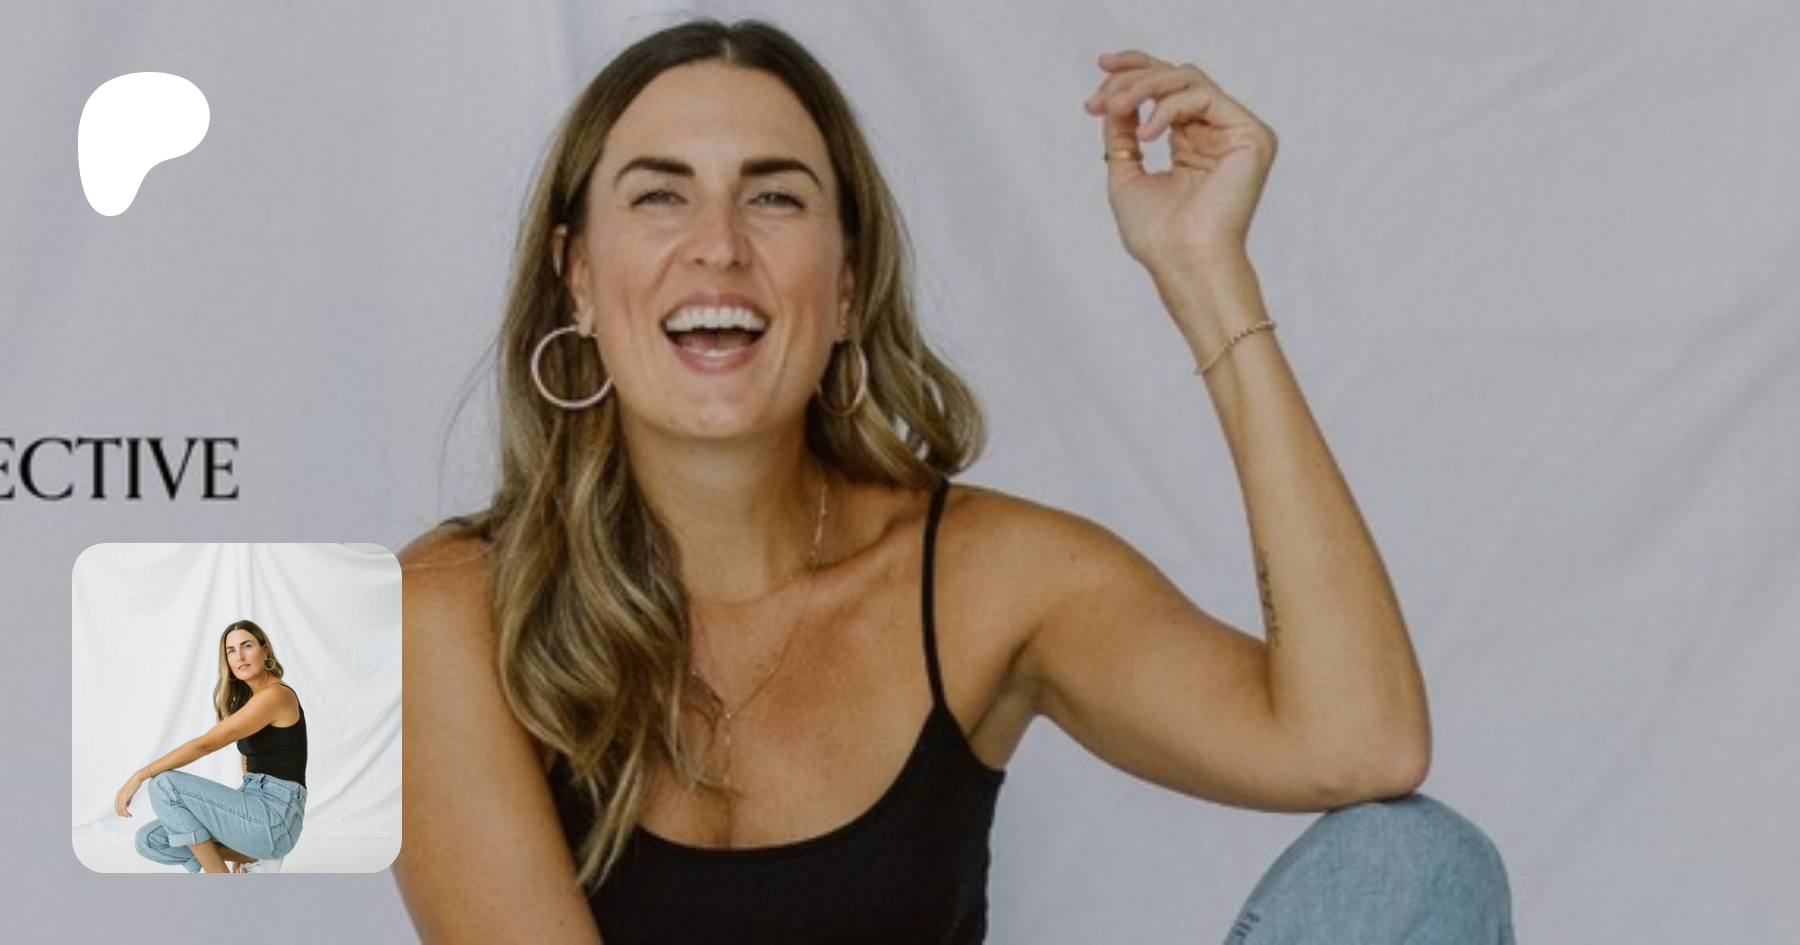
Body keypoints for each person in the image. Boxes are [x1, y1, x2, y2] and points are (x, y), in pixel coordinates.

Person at [397, 18, 1512, 943]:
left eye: (775, 198)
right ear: (579, 279)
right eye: (659, 196)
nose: (720, 245)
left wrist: (1206, 275)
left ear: (846, 286)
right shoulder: (425, 614)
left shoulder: (986, 578)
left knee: (1416, 861)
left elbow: (1361, 744)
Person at [116, 618, 308, 874]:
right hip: (254, 808)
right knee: (149, 840)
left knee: (162, 784)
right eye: (231, 651)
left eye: (247, 646)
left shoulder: (276, 695)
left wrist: (139, 775)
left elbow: (206, 745)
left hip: (277, 819)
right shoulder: (252, 701)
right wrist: (242, 838)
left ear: (264, 651)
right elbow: (249, 767)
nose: (239, 656)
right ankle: (250, 854)